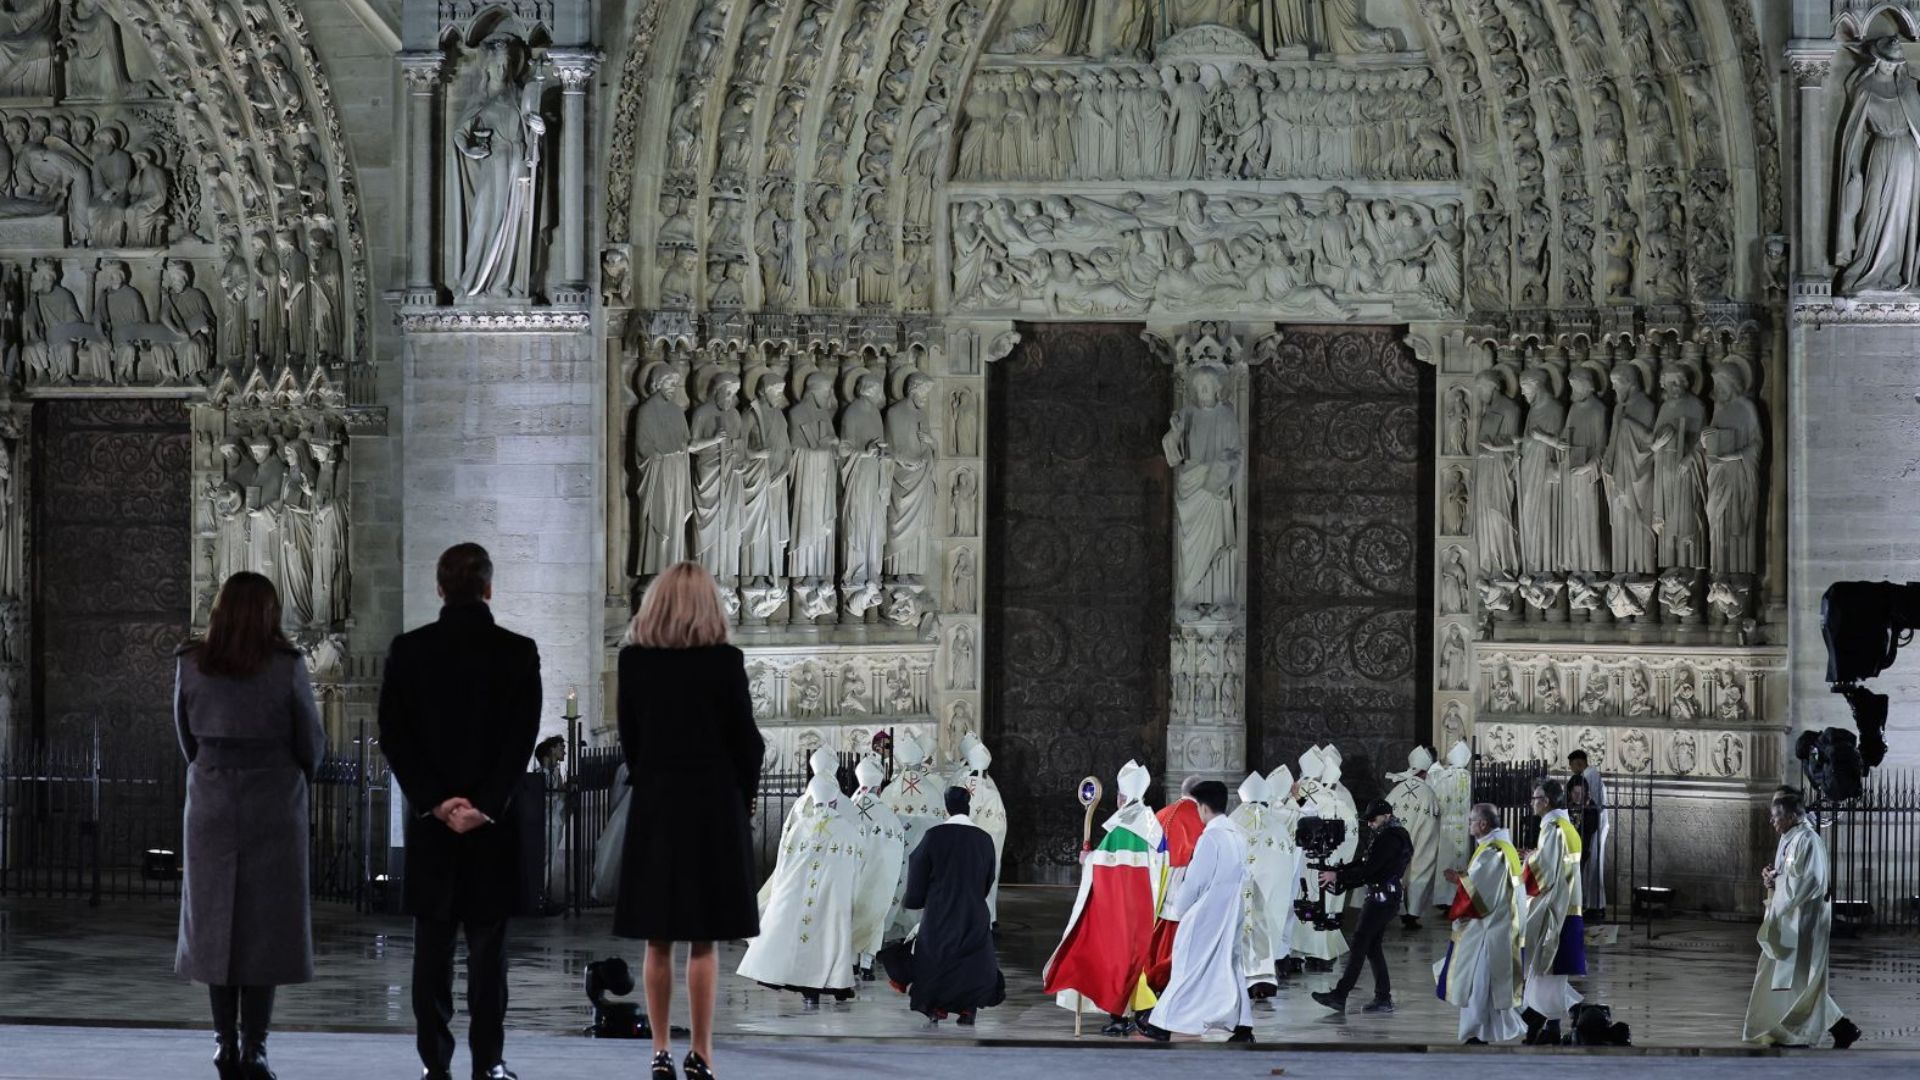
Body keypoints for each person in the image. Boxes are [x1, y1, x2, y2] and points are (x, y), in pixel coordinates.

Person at [379, 544, 542, 1080]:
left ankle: (435, 1064)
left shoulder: (409, 651)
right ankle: (488, 1064)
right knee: (488, 958)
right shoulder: (519, 653)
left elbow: (395, 738)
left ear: (440, 587)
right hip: (491, 829)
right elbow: (521, 742)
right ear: (489, 588)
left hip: (433, 828)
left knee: (431, 954)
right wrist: (486, 805)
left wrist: (435, 802)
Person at [611, 561, 764, 1080]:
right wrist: (741, 797)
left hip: (657, 804)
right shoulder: (724, 662)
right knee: (704, 938)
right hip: (712, 806)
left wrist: (653, 775)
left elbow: (629, 740)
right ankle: (701, 1052)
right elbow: (748, 742)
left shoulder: (633, 663)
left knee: (658, 938)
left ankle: (658, 1050)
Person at [174, 572, 325, 1080]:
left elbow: (185, 736)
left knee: (217, 923)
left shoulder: (192, 663)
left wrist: (214, 769)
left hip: (212, 799)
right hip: (273, 799)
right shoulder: (286, 667)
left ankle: (222, 1042)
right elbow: (310, 739)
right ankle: (255, 1045)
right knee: (265, 926)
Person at [1043, 760, 1165, 1037]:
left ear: (1122, 797)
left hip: (1121, 907)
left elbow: (1113, 869)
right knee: (1131, 959)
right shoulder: (1150, 822)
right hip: (1143, 904)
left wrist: (1088, 860)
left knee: (1116, 959)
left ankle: (1124, 1016)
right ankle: (1133, 1013)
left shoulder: (1125, 829)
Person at [737, 749, 861, 1008]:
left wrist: (782, 885)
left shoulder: (800, 820)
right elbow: (858, 860)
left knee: (798, 928)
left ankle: (800, 979)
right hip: (832, 888)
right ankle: (832, 981)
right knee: (830, 934)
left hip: (798, 885)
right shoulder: (847, 822)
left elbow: (785, 856)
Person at [1743, 788, 1861, 1049]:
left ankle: (1797, 1033)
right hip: (1791, 919)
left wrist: (1779, 881)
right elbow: (1787, 875)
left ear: (1791, 816)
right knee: (1793, 977)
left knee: (1802, 979)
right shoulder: (1788, 838)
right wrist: (1771, 878)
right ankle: (1842, 1028)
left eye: (1776, 816)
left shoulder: (1808, 839)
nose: (1772, 821)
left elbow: (1811, 881)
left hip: (1806, 921)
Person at [1140, 780, 1256, 1043]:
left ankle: (1162, 1023)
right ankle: (1242, 1025)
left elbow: (1195, 881)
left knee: (1188, 968)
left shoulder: (1211, 838)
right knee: (1230, 966)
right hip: (1231, 913)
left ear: (1202, 808)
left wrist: (1180, 910)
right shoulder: (1237, 834)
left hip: (1206, 917)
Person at [883, 786, 1006, 1025]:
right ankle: (968, 1010)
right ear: (968, 807)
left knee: (936, 957)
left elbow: (917, 865)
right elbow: (990, 876)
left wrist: (917, 899)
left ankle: (934, 1007)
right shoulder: (983, 839)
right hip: (973, 910)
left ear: (946, 807)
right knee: (971, 959)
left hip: (940, 910)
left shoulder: (934, 836)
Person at [1434, 804, 1526, 1045]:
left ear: (1483, 824)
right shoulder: (1499, 847)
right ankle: (1489, 1032)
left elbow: (1480, 897)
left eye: (1471, 821)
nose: (1469, 825)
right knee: (1486, 987)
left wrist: (1458, 879)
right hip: (1498, 927)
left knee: (1477, 985)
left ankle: (1474, 1034)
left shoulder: (1493, 851)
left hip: (1489, 931)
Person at [1311, 799, 1413, 1014]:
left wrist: (1338, 875)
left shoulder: (1390, 837)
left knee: (1359, 944)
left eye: (1372, 819)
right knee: (1372, 947)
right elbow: (1366, 862)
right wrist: (1340, 871)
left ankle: (1340, 995)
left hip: (1381, 899)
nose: (1370, 824)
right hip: (1384, 897)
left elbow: (1370, 869)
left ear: (1386, 815)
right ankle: (1383, 998)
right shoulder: (1392, 834)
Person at [1520, 780, 1586, 1045]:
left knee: (1545, 970)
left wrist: (1527, 861)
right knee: (1550, 972)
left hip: (1555, 912)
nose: (1532, 802)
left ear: (1546, 801)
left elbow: (1544, 873)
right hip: (1569, 907)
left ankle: (1548, 1021)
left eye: (1535, 798)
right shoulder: (1567, 828)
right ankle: (1558, 1021)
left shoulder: (1553, 828)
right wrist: (1536, 855)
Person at [1228, 769, 1301, 998]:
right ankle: (1264, 977)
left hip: (1240, 889)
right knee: (1266, 922)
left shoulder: (1232, 822)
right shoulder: (1276, 825)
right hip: (1269, 892)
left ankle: (1242, 976)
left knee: (1241, 926)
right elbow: (1289, 862)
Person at [1290, 747, 1352, 969]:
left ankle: (1294, 954)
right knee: (1322, 904)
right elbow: (1349, 834)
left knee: (1297, 903)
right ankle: (1320, 953)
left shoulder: (1291, 795)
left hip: (1297, 864)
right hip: (1327, 864)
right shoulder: (1333, 798)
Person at [1146, 775, 1207, 990]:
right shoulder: (1203, 817)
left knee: (1158, 937)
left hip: (1156, 884)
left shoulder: (1159, 815)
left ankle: (1152, 981)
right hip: (1186, 886)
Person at [850, 755, 907, 979]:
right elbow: (898, 850)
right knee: (874, 913)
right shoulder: (887, 815)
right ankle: (866, 963)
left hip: (852, 877)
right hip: (877, 879)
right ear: (879, 785)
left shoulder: (846, 809)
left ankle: (852, 961)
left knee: (851, 914)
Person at [1386, 746, 1441, 930]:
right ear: (1425, 772)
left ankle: (1394, 908)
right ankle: (1412, 913)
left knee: (1396, 868)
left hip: (1395, 840)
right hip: (1420, 838)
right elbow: (1433, 823)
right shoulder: (1428, 794)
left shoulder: (1396, 790)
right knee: (1420, 866)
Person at [1567, 749, 1608, 920]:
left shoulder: (1590, 775)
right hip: (1594, 825)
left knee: (1592, 867)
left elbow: (1589, 803)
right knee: (1591, 868)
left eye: (1572, 766)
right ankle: (1592, 904)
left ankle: (1594, 905)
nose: (1572, 770)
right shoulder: (1591, 775)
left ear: (1579, 763)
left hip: (1592, 826)